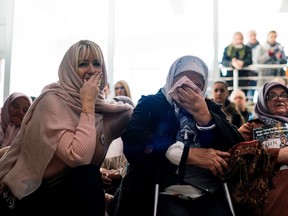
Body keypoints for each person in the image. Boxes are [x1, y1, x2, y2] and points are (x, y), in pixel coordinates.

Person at [0, 40, 133, 215]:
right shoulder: (52, 101)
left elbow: (130, 117)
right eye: (83, 64)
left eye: (97, 63)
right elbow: (79, 157)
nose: (92, 70)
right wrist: (87, 104)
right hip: (33, 191)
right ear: (69, 70)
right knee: (88, 175)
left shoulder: (105, 109)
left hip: (70, 191)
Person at [114, 55, 244, 216]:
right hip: (162, 188)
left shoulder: (210, 108)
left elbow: (237, 146)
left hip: (207, 190)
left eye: (197, 85)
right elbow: (134, 140)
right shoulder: (151, 104)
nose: (190, 89)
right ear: (171, 81)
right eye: (183, 82)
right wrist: (186, 154)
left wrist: (205, 118)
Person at [238, 81, 288, 216]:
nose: (279, 99)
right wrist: (277, 155)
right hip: (269, 187)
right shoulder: (250, 128)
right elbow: (236, 156)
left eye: (284, 95)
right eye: (272, 95)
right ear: (262, 101)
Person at [220, 31, 255, 101]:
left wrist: (242, 63)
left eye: (240, 39)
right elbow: (223, 61)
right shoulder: (227, 49)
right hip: (230, 77)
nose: (239, 41)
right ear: (233, 39)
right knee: (230, 96)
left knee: (243, 95)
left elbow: (249, 60)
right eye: (237, 39)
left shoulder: (247, 48)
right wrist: (232, 63)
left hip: (244, 77)